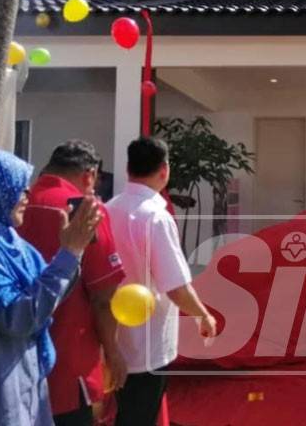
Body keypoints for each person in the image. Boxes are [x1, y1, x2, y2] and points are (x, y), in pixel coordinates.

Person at [0, 147, 101, 426]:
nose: (26, 195)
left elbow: (47, 297)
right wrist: (69, 253)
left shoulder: (12, 243)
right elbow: (20, 317)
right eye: (16, 187)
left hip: (26, 390)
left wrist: (73, 253)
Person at [107, 137, 217, 426]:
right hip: (147, 345)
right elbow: (176, 287)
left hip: (109, 337)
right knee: (140, 415)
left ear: (128, 168)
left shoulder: (108, 209)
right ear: (164, 171)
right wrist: (202, 315)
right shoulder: (155, 217)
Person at [18, 140, 127, 426]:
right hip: (69, 364)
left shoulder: (15, 205)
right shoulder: (85, 212)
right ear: (89, 175)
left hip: (12, 365)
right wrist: (113, 352)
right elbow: (103, 297)